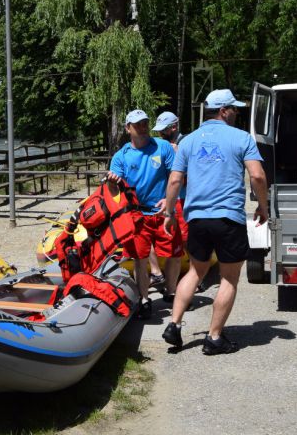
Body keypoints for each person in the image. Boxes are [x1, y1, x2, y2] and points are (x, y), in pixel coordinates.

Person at [161, 89, 268, 355]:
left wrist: (170, 214)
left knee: (196, 271)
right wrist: (263, 207)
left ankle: (174, 324)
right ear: (223, 111)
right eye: (233, 108)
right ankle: (214, 338)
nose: (236, 112)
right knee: (229, 278)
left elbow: (174, 180)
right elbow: (257, 175)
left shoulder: (188, 141)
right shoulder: (242, 138)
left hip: (196, 217)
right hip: (227, 217)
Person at [106, 109, 183, 311]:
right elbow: (113, 190)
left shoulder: (163, 147)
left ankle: (171, 292)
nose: (142, 127)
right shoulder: (121, 156)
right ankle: (144, 299)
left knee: (174, 255)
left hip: (164, 212)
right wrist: (112, 183)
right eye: (137, 124)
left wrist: (169, 200)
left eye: (145, 123)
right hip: (138, 215)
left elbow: (176, 176)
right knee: (140, 259)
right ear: (127, 128)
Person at [148, 111, 186, 289]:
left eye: (163, 130)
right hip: (166, 199)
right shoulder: (159, 145)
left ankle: (195, 277)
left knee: (185, 239)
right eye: (159, 131)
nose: (160, 134)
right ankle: (157, 273)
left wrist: (180, 154)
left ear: (174, 127)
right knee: (150, 236)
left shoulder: (185, 143)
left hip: (184, 198)